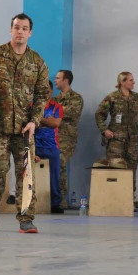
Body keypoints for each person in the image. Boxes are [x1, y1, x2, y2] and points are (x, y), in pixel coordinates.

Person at [0, 12, 51, 233]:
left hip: (24, 128)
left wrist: (35, 122)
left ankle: (26, 218)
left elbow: (41, 95)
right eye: (16, 27)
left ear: (30, 33)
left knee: (26, 173)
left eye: (24, 28)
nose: (20, 32)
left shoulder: (37, 62)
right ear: (11, 30)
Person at [95, 72, 138, 209]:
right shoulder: (112, 98)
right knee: (115, 168)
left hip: (132, 142)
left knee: (131, 170)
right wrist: (104, 130)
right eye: (130, 80)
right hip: (116, 141)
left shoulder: (137, 99)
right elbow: (99, 114)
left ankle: (129, 200)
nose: (133, 82)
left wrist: (136, 133)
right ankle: (114, 200)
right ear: (122, 82)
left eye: (133, 80)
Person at [53, 70, 84, 209]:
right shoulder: (54, 99)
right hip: (51, 138)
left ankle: (60, 200)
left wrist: (57, 110)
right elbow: (47, 114)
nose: (55, 80)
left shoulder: (76, 98)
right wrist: (60, 109)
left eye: (58, 78)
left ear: (66, 81)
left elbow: (72, 112)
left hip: (67, 138)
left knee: (60, 160)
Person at [35, 80, 65, 214]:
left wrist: (39, 119)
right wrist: (47, 121)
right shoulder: (32, 106)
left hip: (52, 146)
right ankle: (31, 203)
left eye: (47, 89)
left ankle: (55, 204)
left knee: (54, 176)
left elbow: (56, 123)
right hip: (34, 146)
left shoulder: (57, 107)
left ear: (51, 91)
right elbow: (28, 123)